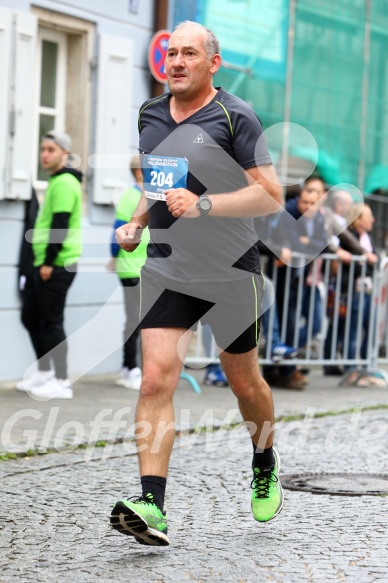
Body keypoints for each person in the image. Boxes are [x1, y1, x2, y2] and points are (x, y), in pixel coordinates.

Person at [111, 21, 283, 546]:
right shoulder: (151, 113)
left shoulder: (236, 116)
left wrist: (205, 204)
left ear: (214, 62)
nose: (177, 61)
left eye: (189, 53)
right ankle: (152, 506)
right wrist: (139, 222)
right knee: (154, 380)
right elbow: (158, 181)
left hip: (231, 271)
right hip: (167, 268)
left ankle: (264, 457)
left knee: (244, 383)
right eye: (172, 53)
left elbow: (270, 195)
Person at [16, 131, 82, 399]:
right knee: (31, 316)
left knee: (52, 322)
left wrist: (48, 262)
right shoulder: (56, 181)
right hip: (42, 261)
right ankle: (44, 372)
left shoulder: (65, 182)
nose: (45, 154)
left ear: (64, 155)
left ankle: (62, 380)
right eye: (43, 149)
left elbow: (60, 225)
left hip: (56, 263)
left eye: (51, 150)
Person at [271, 179, 329, 389]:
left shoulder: (319, 218)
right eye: (305, 202)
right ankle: (282, 370)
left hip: (308, 278)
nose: (307, 207)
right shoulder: (290, 213)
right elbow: (294, 242)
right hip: (288, 278)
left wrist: (308, 243)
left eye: (312, 204)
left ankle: (287, 362)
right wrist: (304, 244)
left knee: (313, 324)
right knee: (288, 323)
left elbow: (323, 244)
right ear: (299, 199)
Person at [109, 155, 149, 390]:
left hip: (144, 267)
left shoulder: (149, 198)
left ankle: (134, 368)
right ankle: (130, 368)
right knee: (135, 319)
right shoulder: (130, 197)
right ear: (139, 172)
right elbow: (118, 231)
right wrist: (114, 256)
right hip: (130, 268)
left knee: (143, 319)